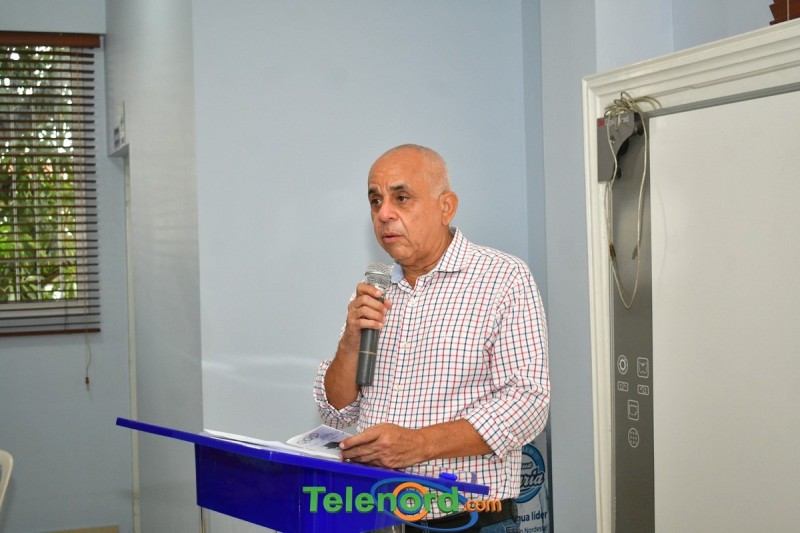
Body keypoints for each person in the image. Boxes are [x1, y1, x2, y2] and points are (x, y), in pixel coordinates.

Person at [313, 144, 549, 533]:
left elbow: (527, 402)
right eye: (375, 201)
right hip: (375, 516)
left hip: (468, 520)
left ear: (446, 207)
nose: (383, 213)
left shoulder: (503, 278)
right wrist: (349, 343)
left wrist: (419, 444)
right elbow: (337, 413)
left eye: (401, 198)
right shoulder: (374, 290)